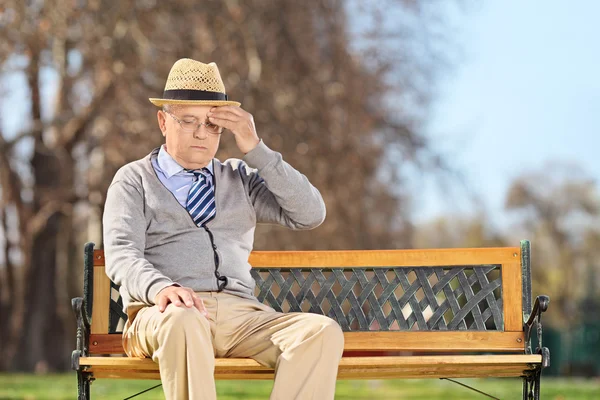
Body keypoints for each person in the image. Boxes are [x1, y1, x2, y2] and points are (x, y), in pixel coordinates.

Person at [102, 58, 344, 400]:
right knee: (183, 320)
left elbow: (310, 213)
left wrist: (256, 148)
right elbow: (121, 253)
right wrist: (162, 288)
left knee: (320, 332)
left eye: (212, 125)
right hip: (164, 315)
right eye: (189, 121)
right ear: (162, 121)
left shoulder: (239, 178)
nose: (202, 133)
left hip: (240, 316)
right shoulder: (133, 180)